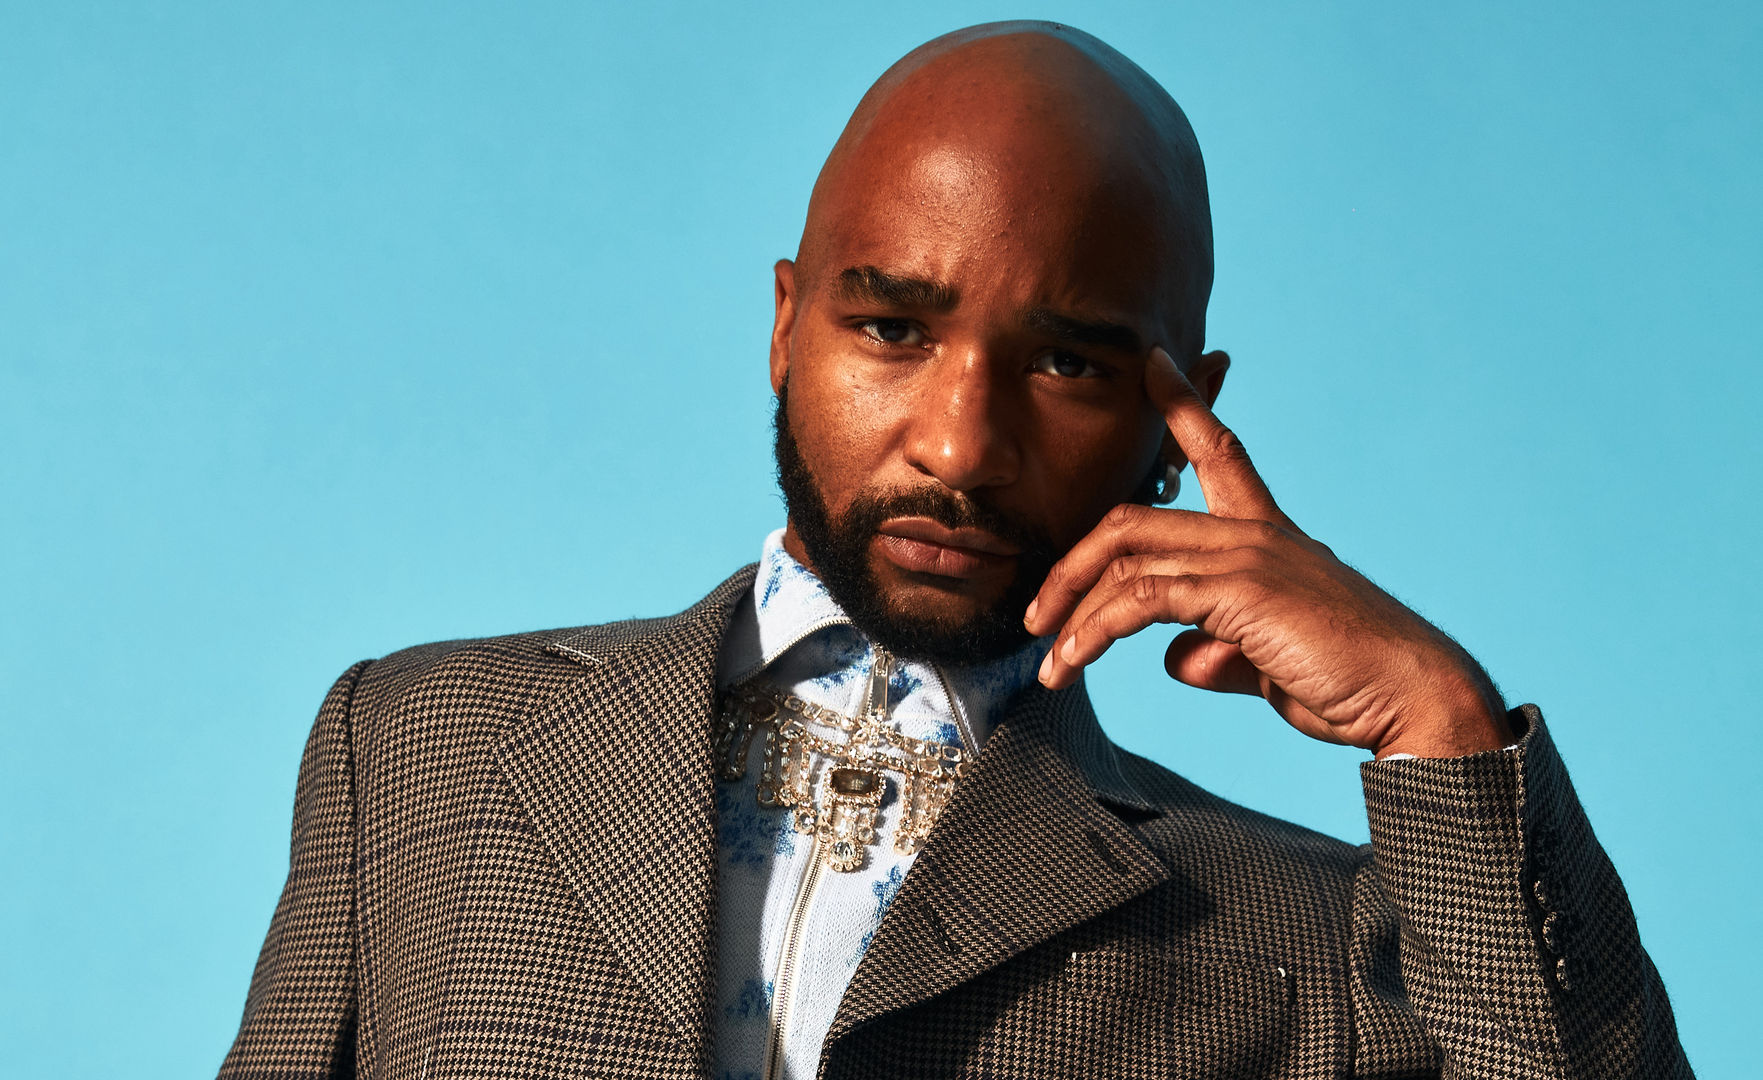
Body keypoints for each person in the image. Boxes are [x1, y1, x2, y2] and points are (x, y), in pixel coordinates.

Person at [220, 21, 1691, 1080]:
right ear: (785, 322)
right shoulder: (419, 747)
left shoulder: (1315, 937)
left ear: (1184, 415)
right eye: (891, 327)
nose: (957, 442)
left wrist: (1442, 725)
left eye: (1065, 365)